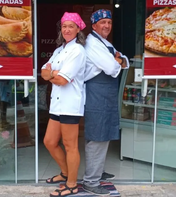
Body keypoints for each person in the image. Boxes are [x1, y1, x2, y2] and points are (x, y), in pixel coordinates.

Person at [83, 9, 129, 195]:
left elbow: (125, 61)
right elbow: (112, 67)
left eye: (109, 23)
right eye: (102, 22)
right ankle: (91, 182)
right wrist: (117, 60)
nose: (107, 26)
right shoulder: (92, 44)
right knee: (97, 136)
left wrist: (119, 60)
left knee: (102, 134)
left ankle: (97, 172)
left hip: (105, 95)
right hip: (97, 94)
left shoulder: (103, 43)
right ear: (94, 25)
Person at [41, 12, 87, 197]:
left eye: (71, 26)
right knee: (50, 142)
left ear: (78, 29)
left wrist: (53, 75)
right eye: (64, 26)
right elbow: (44, 72)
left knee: (70, 145)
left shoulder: (77, 51)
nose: (67, 29)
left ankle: (72, 184)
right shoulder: (59, 50)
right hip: (57, 105)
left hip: (70, 104)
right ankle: (65, 172)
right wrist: (53, 74)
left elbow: (63, 81)